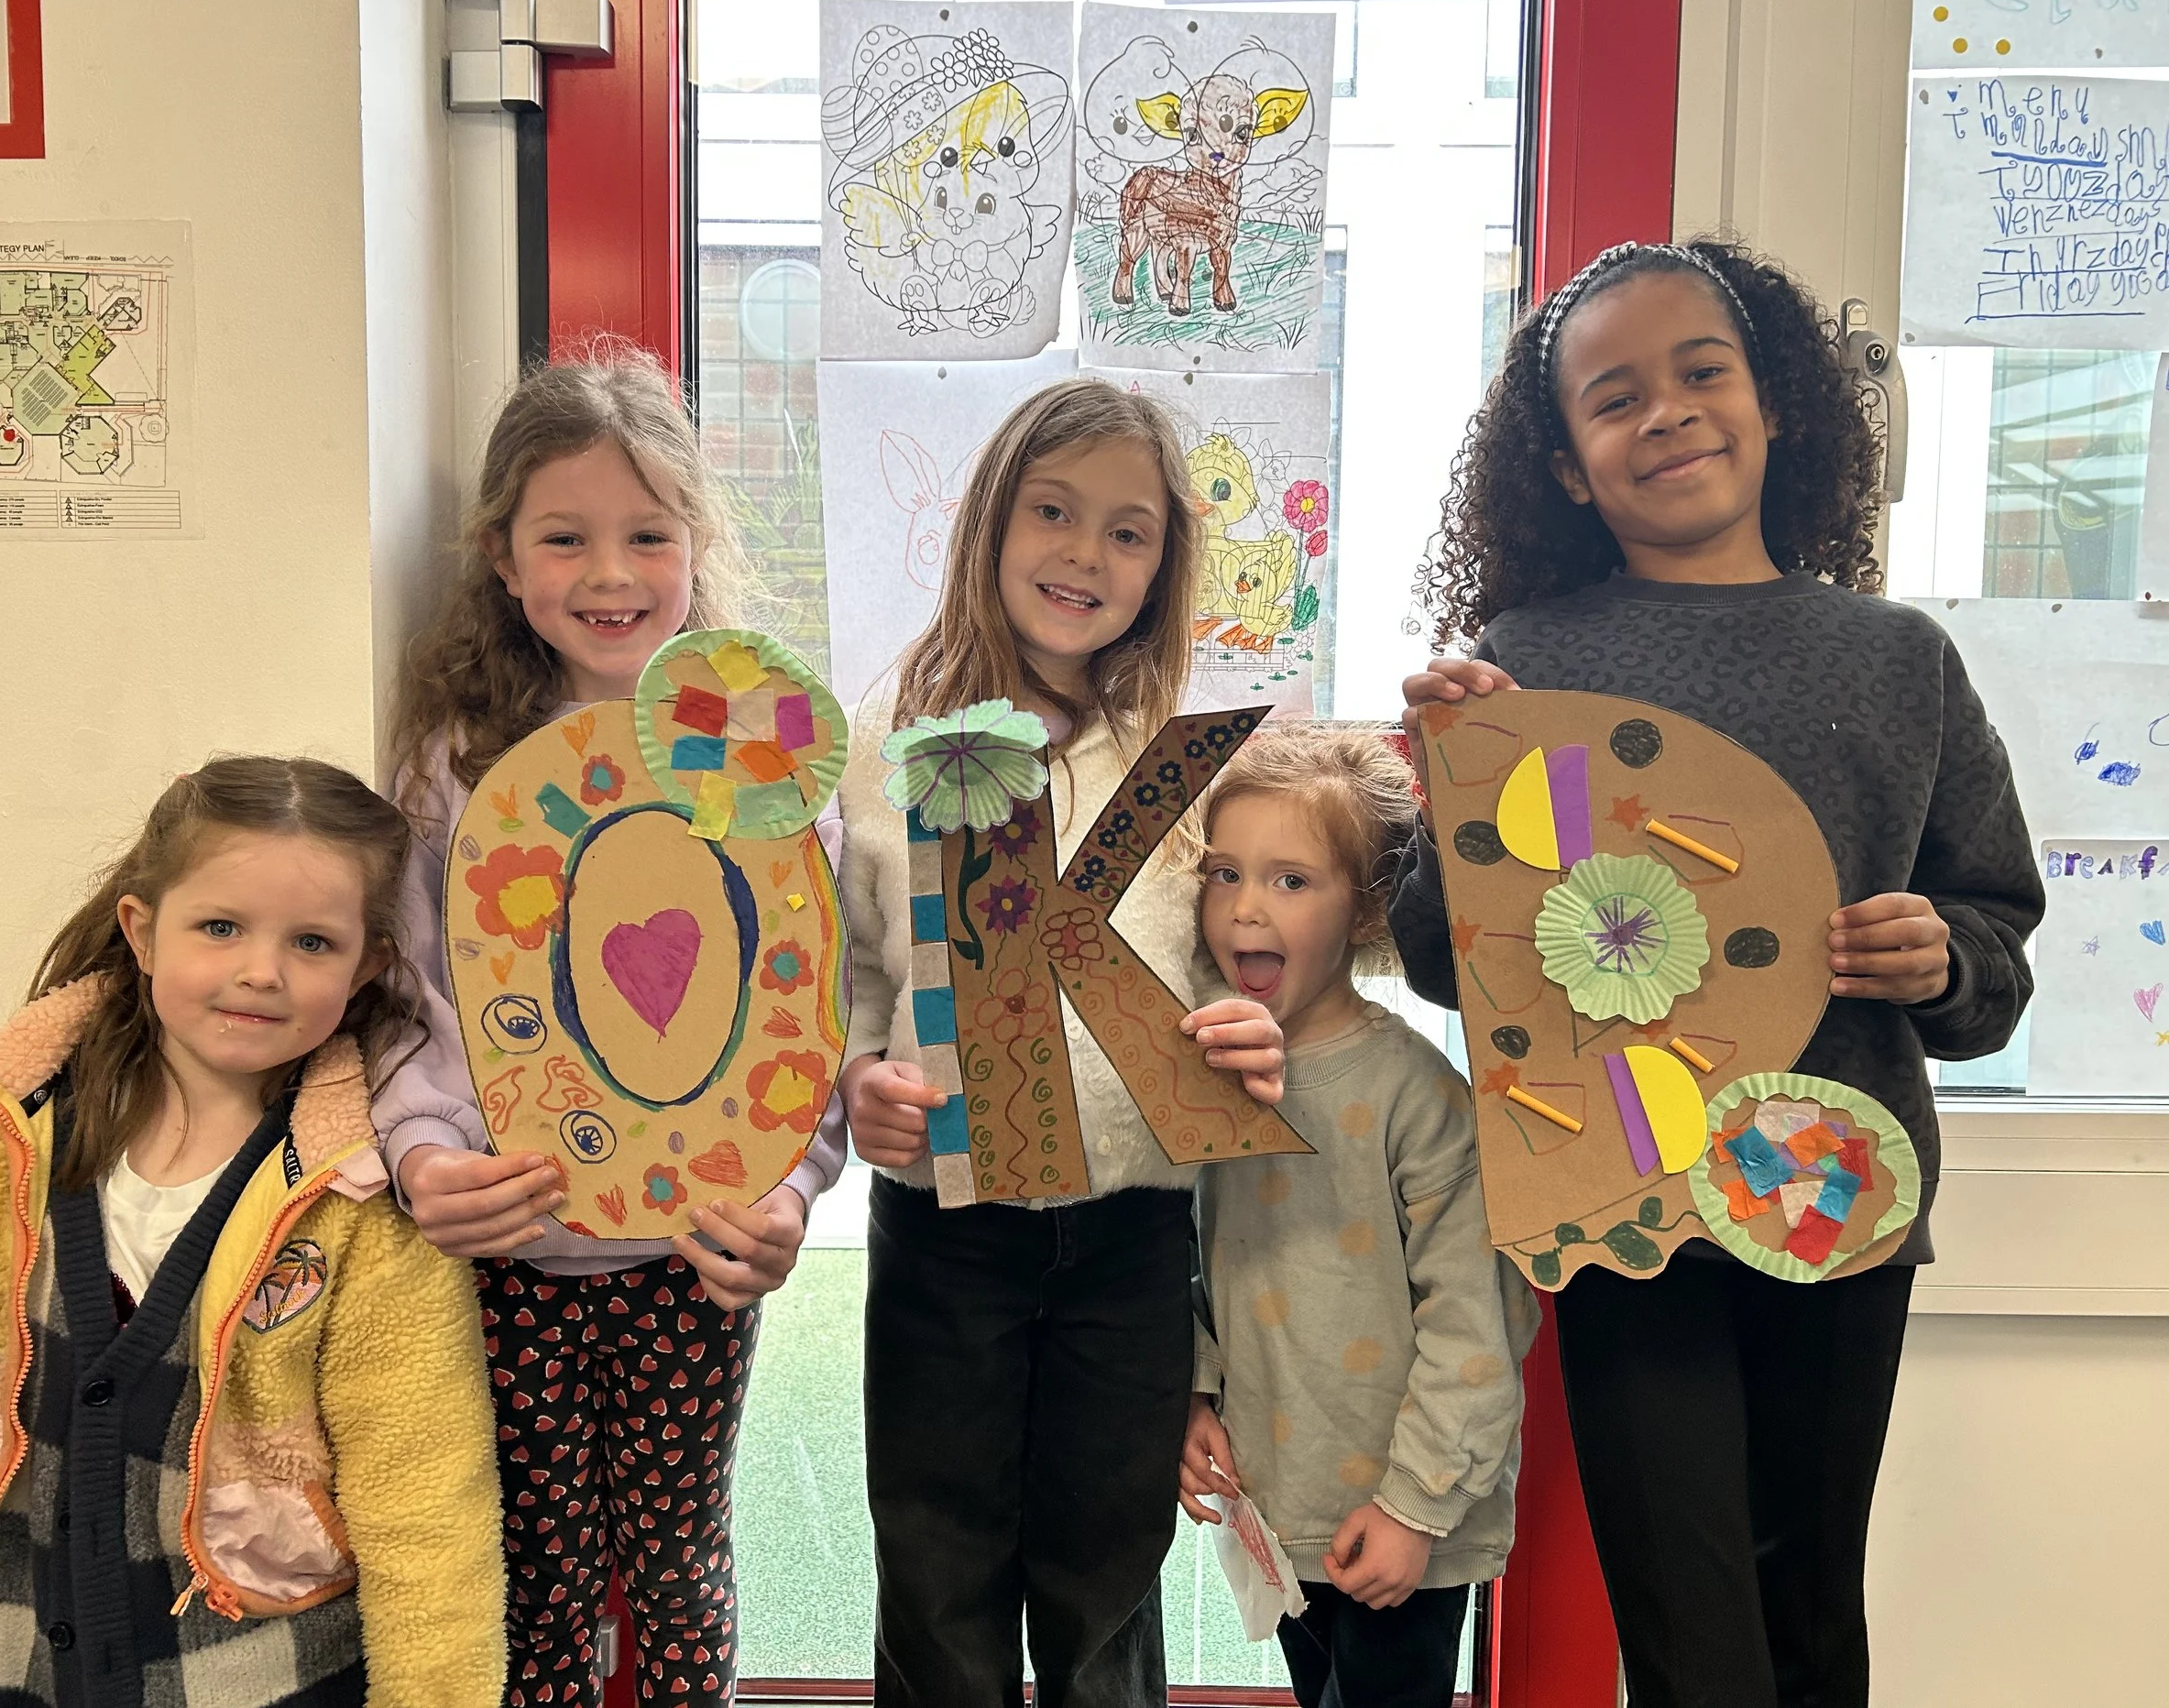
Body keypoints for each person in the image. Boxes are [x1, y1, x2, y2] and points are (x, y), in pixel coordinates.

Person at [1391, 238, 2044, 1707]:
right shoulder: (1521, 662)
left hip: (1836, 1186)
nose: (1668, 412)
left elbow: (1995, 949)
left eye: (1703, 372)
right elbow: (1450, 962)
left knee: (1810, 1617)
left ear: (1776, 402)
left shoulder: (1899, 659)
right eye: (1615, 397)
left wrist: (1941, 954)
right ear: (1565, 467)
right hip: (1625, 1197)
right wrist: (1453, 792)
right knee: (1686, 1631)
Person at [378, 340, 841, 1706]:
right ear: (501, 556)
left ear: (698, 544)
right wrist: (421, 1156)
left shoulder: (754, 760)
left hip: (690, 1251)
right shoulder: (456, 767)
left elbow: (807, 1004)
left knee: (680, 1565)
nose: (609, 573)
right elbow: (411, 999)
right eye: (564, 537)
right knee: (538, 1573)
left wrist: (789, 1188)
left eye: (648, 534)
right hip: (510, 1244)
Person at [837, 377, 1287, 1707]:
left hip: (1132, 1238)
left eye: (1127, 531)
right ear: (990, 521)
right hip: (945, 1231)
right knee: (936, 1568)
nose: (1085, 553)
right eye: (1053, 511)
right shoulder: (890, 743)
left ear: (1163, 565)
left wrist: (1254, 1025)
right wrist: (858, 1079)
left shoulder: (1185, 763)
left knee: (1105, 1579)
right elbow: (855, 970)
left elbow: (1242, 960)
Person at [0, 755, 503, 1708]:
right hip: (4, 1664)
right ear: (142, 930)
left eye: (312, 942)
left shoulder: (365, 1204)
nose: (261, 971)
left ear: (367, 965)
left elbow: (424, 1509)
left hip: (267, 1679)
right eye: (220, 927)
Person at [1180, 724, 1536, 1708]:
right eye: (1223, 874)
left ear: (1367, 906)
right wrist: (1192, 1392)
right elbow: (1183, 1257)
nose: (1246, 907)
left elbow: (1478, 1319)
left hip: (1406, 1521)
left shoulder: (1416, 1095)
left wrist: (1414, 1507)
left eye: (1291, 880)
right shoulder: (1199, 1075)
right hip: (1279, 1509)